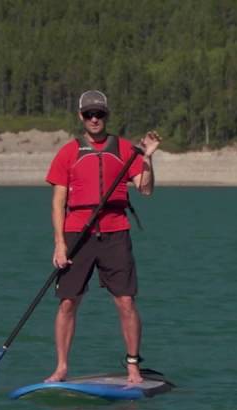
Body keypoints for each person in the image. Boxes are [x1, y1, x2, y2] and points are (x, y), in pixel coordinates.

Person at [43, 90, 161, 384]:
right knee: (68, 302)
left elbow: (145, 190)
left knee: (125, 302)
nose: (95, 119)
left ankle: (133, 365)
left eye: (100, 114)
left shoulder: (124, 149)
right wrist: (59, 244)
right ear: (80, 117)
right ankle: (61, 368)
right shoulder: (68, 153)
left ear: (107, 115)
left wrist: (146, 159)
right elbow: (58, 202)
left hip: (115, 233)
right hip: (77, 235)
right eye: (89, 114)